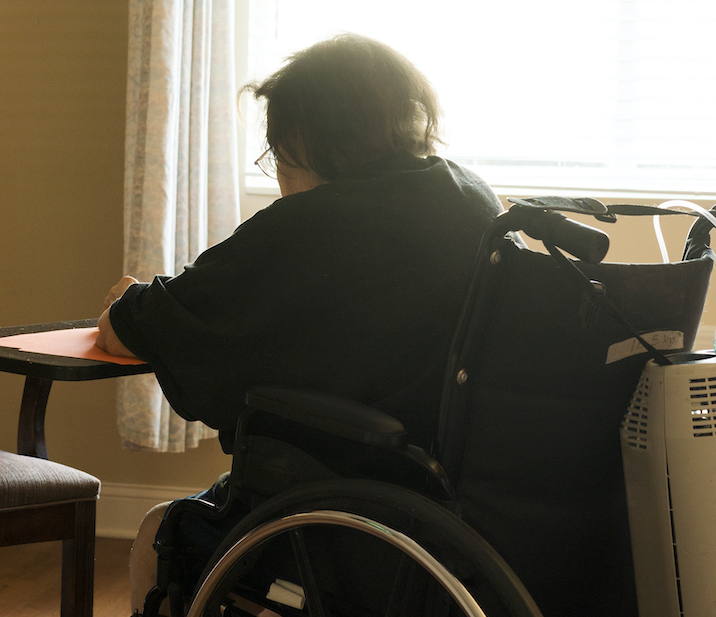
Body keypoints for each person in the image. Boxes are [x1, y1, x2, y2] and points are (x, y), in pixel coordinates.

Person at [94, 34, 501, 613]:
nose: (279, 172)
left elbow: (141, 324)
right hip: (448, 507)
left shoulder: (314, 224)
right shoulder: (472, 199)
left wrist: (129, 301)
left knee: (157, 531)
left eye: (279, 153)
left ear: (310, 138)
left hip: (347, 505)